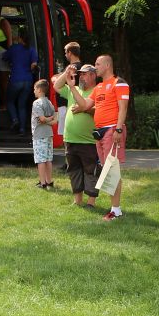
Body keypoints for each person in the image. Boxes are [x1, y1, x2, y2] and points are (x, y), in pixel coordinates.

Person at [53, 62, 100, 209]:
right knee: (74, 170)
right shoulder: (74, 89)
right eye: (80, 74)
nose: (81, 77)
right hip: (70, 139)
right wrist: (67, 72)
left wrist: (84, 108)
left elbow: (98, 110)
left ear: (93, 75)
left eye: (84, 74)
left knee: (91, 171)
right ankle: (78, 200)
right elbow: (56, 86)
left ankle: (91, 202)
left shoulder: (97, 91)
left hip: (89, 140)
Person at [90, 54, 131, 220]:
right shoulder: (98, 87)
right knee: (107, 170)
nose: (95, 67)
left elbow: (123, 108)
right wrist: (71, 87)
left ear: (107, 65)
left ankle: (116, 210)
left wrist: (118, 130)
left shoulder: (119, 83)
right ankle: (114, 208)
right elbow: (86, 104)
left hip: (112, 130)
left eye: (97, 64)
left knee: (112, 170)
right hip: (100, 132)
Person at [2, 28, 38, 134]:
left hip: (16, 79)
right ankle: (22, 129)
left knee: (9, 101)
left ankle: (15, 119)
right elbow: (34, 65)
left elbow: (4, 57)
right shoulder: (32, 50)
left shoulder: (14, 48)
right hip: (28, 80)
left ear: (20, 38)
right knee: (22, 105)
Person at [30, 78, 57, 188]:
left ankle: (42, 183)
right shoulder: (49, 102)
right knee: (48, 159)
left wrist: (46, 119)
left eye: (34, 89)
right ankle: (49, 181)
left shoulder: (37, 103)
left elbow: (41, 119)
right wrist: (50, 119)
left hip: (39, 134)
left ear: (39, 90)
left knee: (40, 159)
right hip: (49, 134)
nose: (34, 91)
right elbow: (55, 119)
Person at [0, 10, 13, 111]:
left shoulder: (3, 22)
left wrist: (10, 56)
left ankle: (6, 104)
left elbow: (9, 40)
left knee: (3, 81)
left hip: (3, 54)